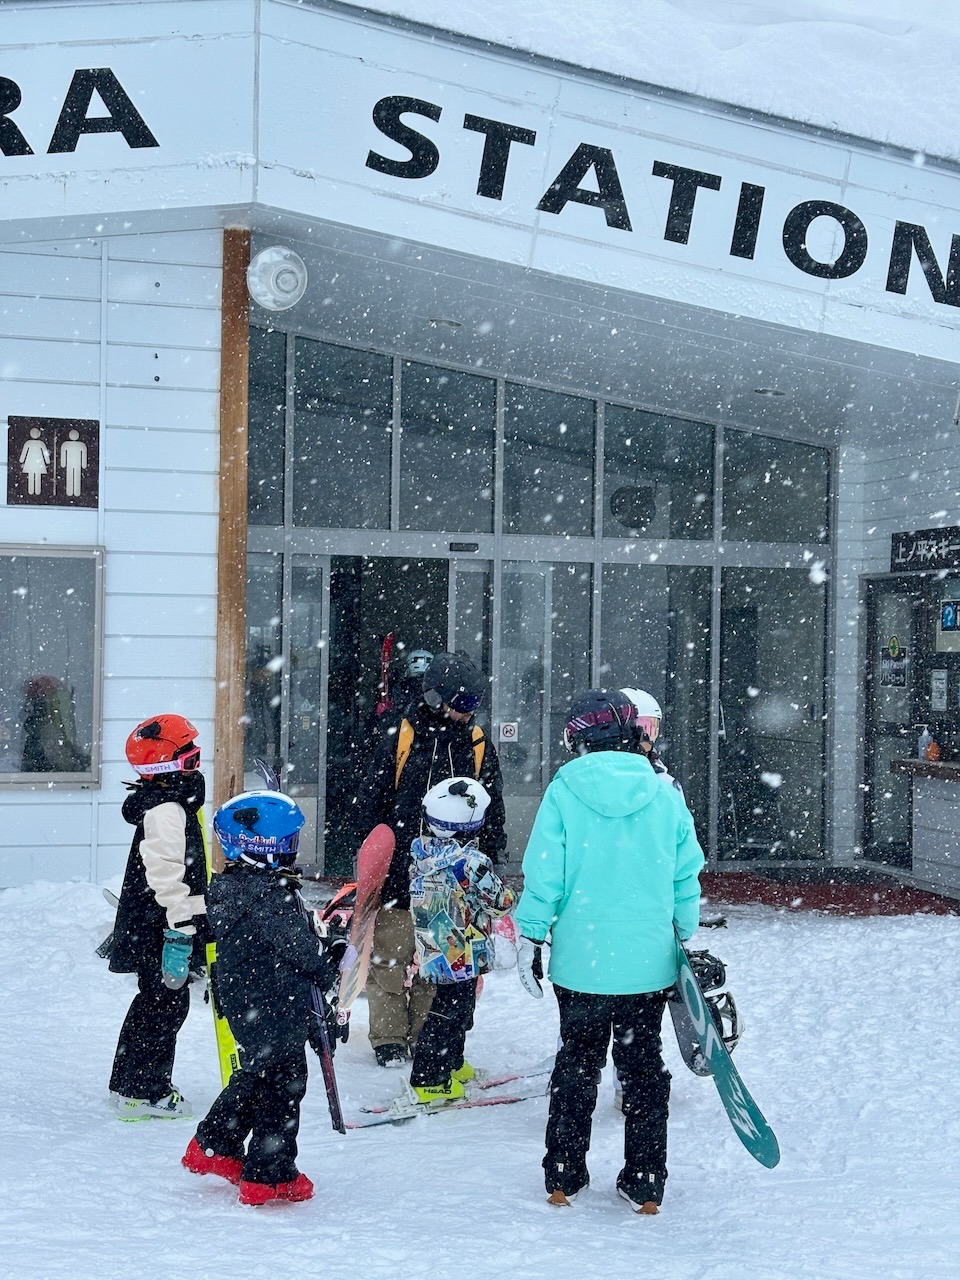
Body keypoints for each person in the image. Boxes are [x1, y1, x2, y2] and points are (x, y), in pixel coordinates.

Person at [513, 689, 704, 1215]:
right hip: (647, 961)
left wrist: (531, 934)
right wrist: (681, 932)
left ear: (579, 738)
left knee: (576, 1066)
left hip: (581, 961)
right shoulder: (665, 793)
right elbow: (685, 873)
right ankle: (645, 1182)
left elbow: (545, 872)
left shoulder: (564, 791)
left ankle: (564, 1176)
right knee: (644, 1069)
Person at [181, 789, 339, 1206]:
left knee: (259, 1072)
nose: (293, 850)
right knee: (284, 1085)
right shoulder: (272, 895)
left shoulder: (231, 886)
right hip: (272, 1001)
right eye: (288, 842)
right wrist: (329, 969)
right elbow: (298, 949)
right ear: (264, 848)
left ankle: (215, 1145)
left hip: (246, 997)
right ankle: (270, 1175)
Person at [352, 650, 507, 1067]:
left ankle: (424, 1032)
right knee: (390, 959)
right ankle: (388, 1037)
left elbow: (492, 808)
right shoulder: (401, 737)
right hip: (402, 876)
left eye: (475, 705)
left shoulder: (476, 744)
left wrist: (491, 858)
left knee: (434, 965)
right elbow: (371, 800)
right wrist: (373, 857)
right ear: (437, 698)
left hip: (453, 881)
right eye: (462, 705)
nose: (468, 713)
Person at [108, 715, 208, 1120]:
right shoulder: (166, 809)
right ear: (163, 767)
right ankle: (144, 1092)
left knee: (153, 1000)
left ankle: (126, 1082)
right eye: (189, 760)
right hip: (162, 923)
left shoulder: (170, 799)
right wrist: (182, 925)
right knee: (166, 1004)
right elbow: (165, 871)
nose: (197, 766)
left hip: (154, 920)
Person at [400, 777, 514, 1107]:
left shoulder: (422, 852)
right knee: (449, 1013)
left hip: (436, 946)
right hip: (463, 946)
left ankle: (451, 1063)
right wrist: (508, 895)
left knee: (454, 1006)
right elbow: (498, 902)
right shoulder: (469, 863)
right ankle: (429, 1080)